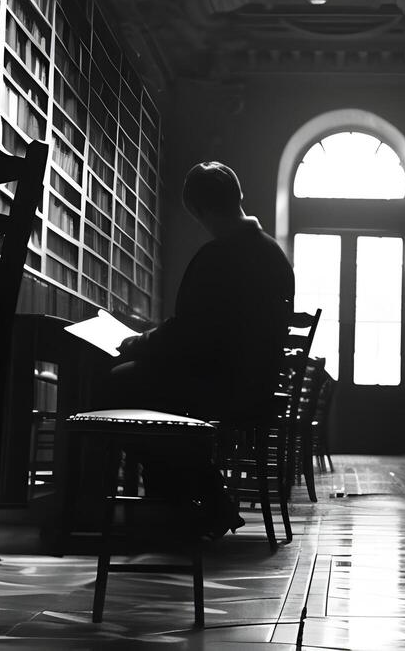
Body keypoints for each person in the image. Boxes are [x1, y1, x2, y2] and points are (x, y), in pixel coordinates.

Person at [105, 161, 295, 537]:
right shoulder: (274, 255)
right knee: (145, 390)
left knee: (119, 385)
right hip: (253, 383)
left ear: (199, 210)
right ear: (238, 196)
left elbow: (188, 334)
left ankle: (184, 504)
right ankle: (190, 503)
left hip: (220, 385)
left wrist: (135, 343)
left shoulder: (219, 255)